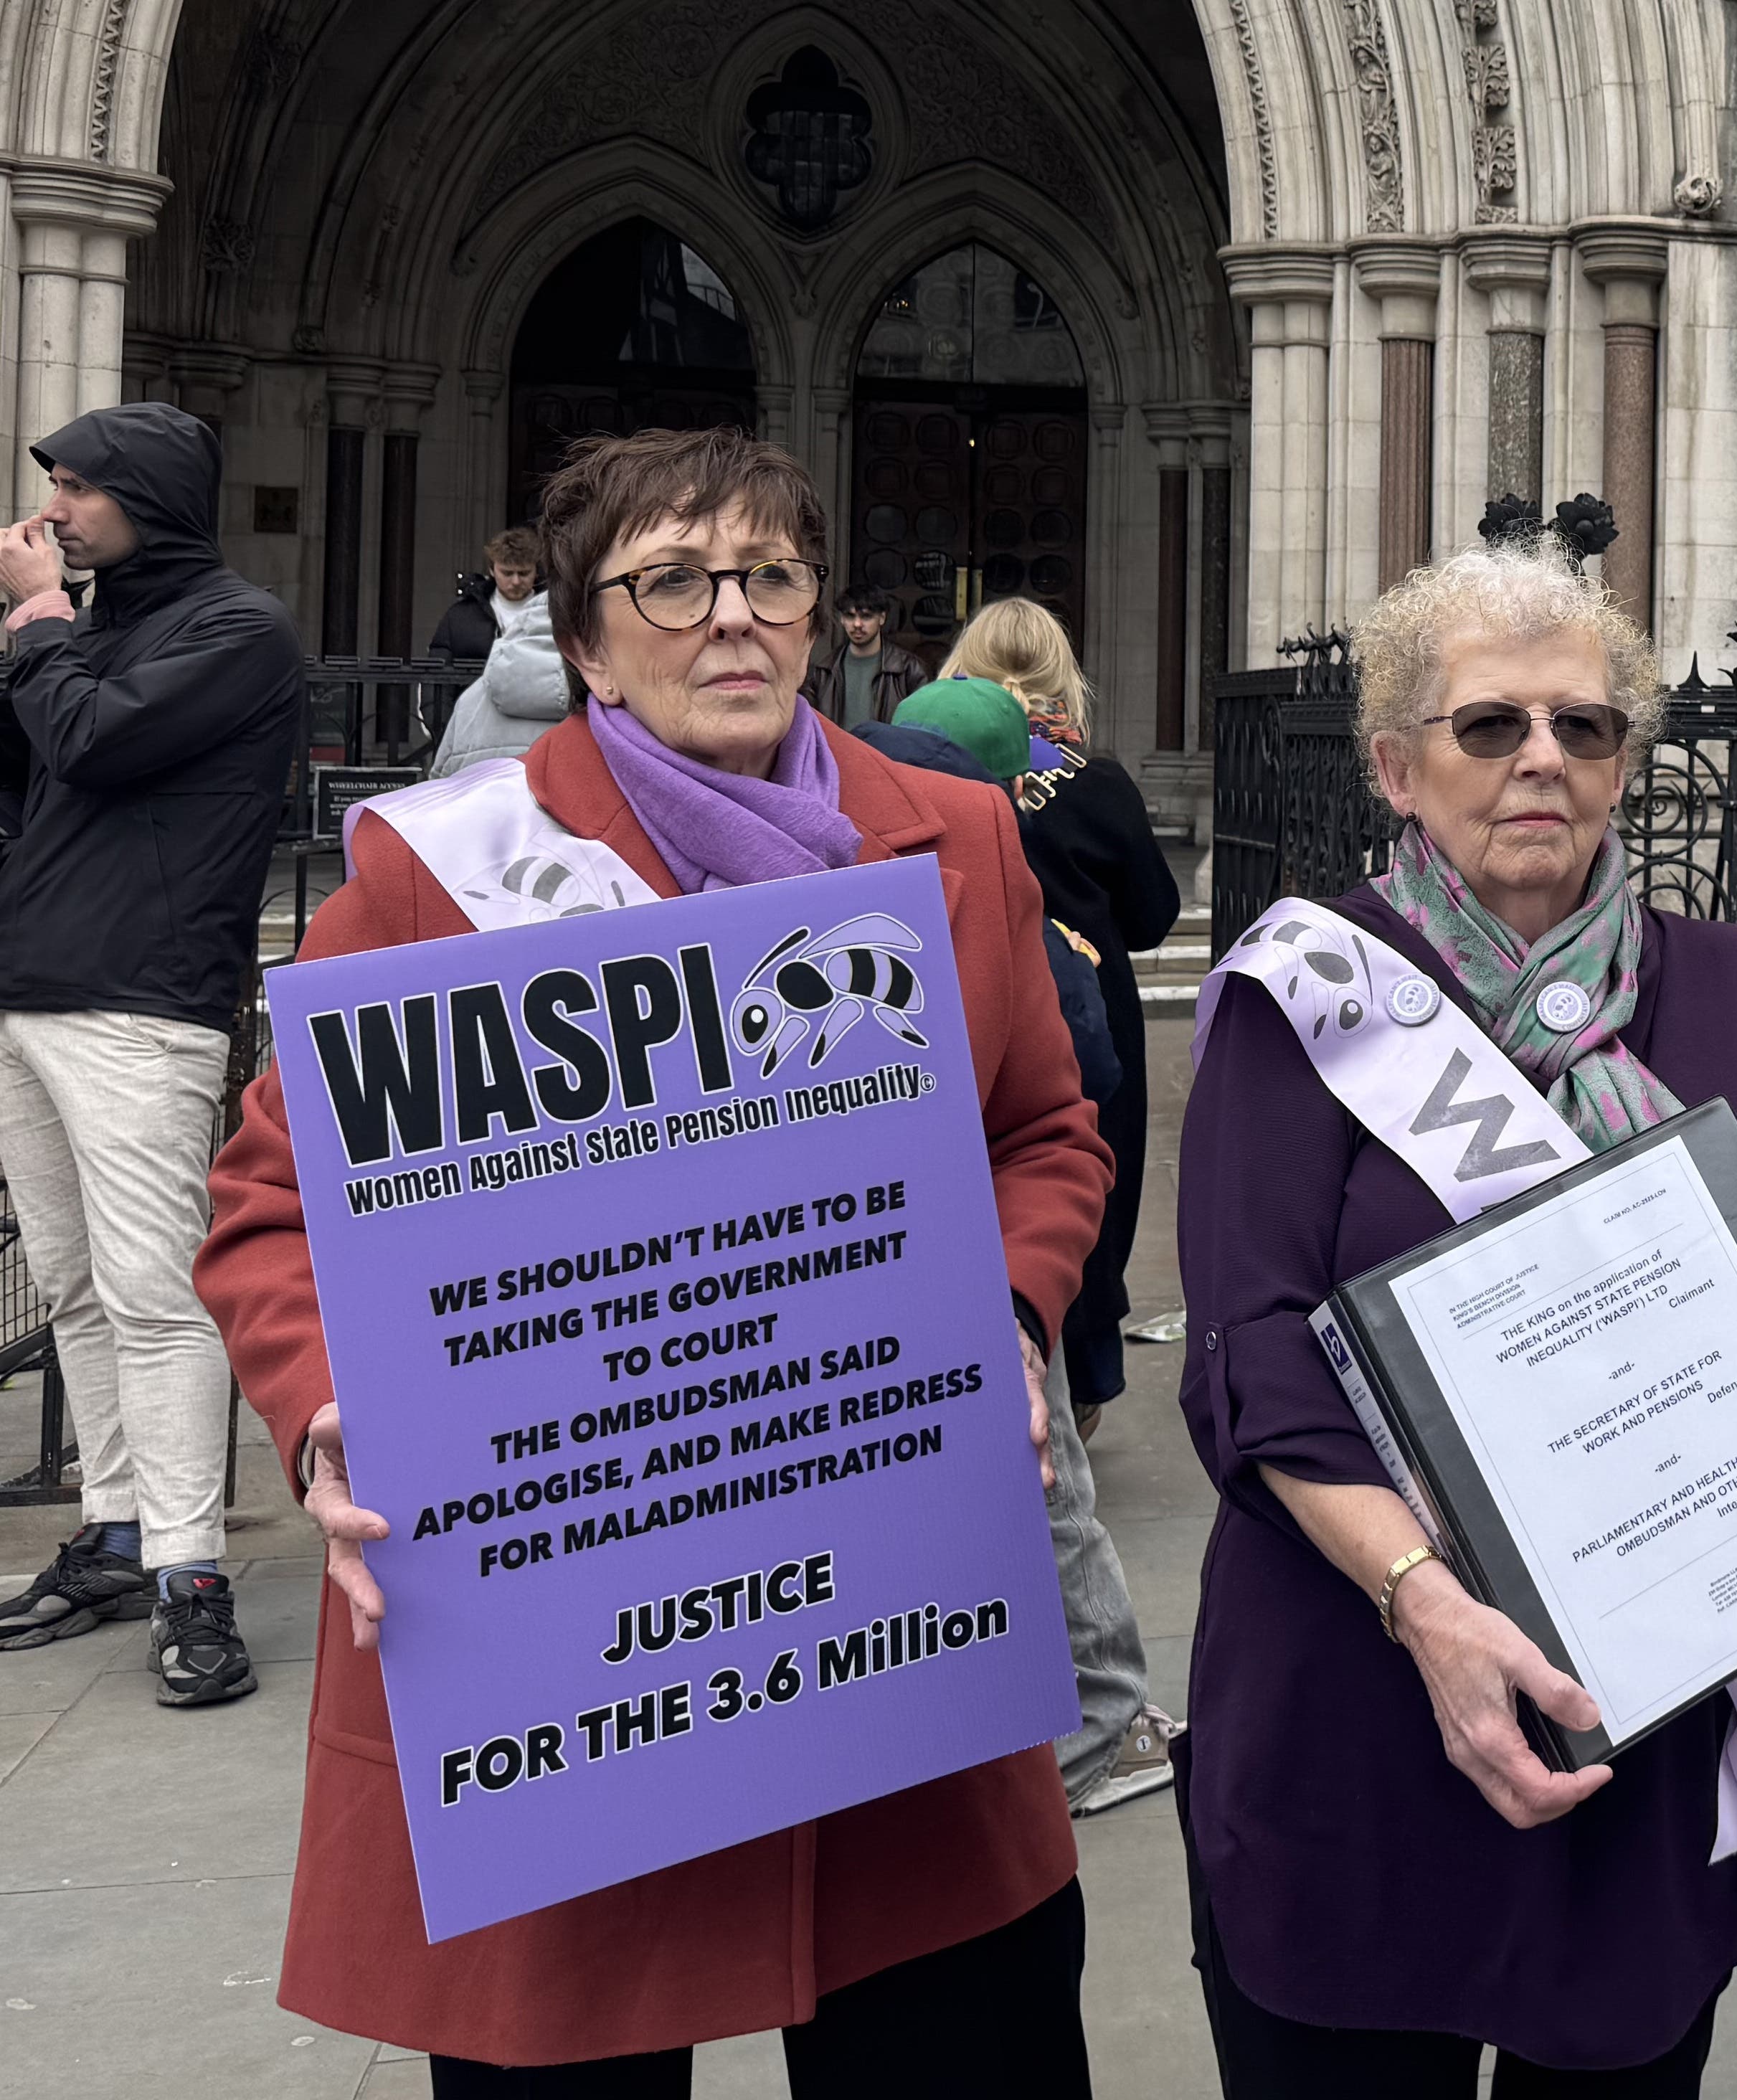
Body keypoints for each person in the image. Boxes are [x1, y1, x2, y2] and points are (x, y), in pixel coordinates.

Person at [192, 425, 1116, 2094]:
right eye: (672, 582)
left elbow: (1044, 1135)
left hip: (877, 1615)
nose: (732, 619)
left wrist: (997, 1310)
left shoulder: (956, 837)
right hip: (574, 1664)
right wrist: (333, 1412)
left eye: (770, 576)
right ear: (587, 631)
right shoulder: (433, 876)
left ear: (825, 611)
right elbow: (270, 1203)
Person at [1176, 542, 1737, 2095]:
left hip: (1635, 1722)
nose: (1543, 761)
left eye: (1586, 727)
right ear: (1396, 765)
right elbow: (1254, 1360)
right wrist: (1429, 1605)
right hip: (1363, 1689)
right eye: (1489, 726)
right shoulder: (1308, 996)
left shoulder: (1722, 986)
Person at [0, 402, 306, 1705]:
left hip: (140, 1000)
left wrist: (38, 630)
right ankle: (119, 1531)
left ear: (149, 497)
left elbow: (95, 740)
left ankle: (193, 1577)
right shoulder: (96, 629)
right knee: (71, 1282)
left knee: (154, 1291)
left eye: (77, 488)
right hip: (34, 986)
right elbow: (33, 777)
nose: (54, 513)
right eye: (52, 488)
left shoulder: (241, 630)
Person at [869, 676, 1175, 1817]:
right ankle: (1096, 1733)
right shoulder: (1007, 892)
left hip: (920, 1265)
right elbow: (1079, 1082)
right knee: (1050, 1503)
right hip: (958, 1264)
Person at [942, 598, 1177, 1436]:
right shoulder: (1093, 778)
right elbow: (1153, 915)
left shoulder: (928, 776)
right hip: (1087, 1023)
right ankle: (1081, 1382)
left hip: (964, 1011)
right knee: (1083, 1185)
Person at [425, 588, 567, 777]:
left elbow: (441, 784)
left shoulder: (469, 704)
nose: (516, 582)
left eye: (523, 573)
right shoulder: (605, 699)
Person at [800, 585, 924, 728]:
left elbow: (921, 725)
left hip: (884, 750)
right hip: (838, 750)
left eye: (866, 616)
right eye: (850, 616)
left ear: (882, 618)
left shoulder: (908, 669)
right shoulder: (822, 672)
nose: (857, 624)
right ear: (841, 619)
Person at [429, 526, 540, 659]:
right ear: (492, 570)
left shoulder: (555, 613)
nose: (516, 581)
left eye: (524, 573)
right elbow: (440, 665)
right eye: (507, 573)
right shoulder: (460, 616)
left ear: (536, 571)